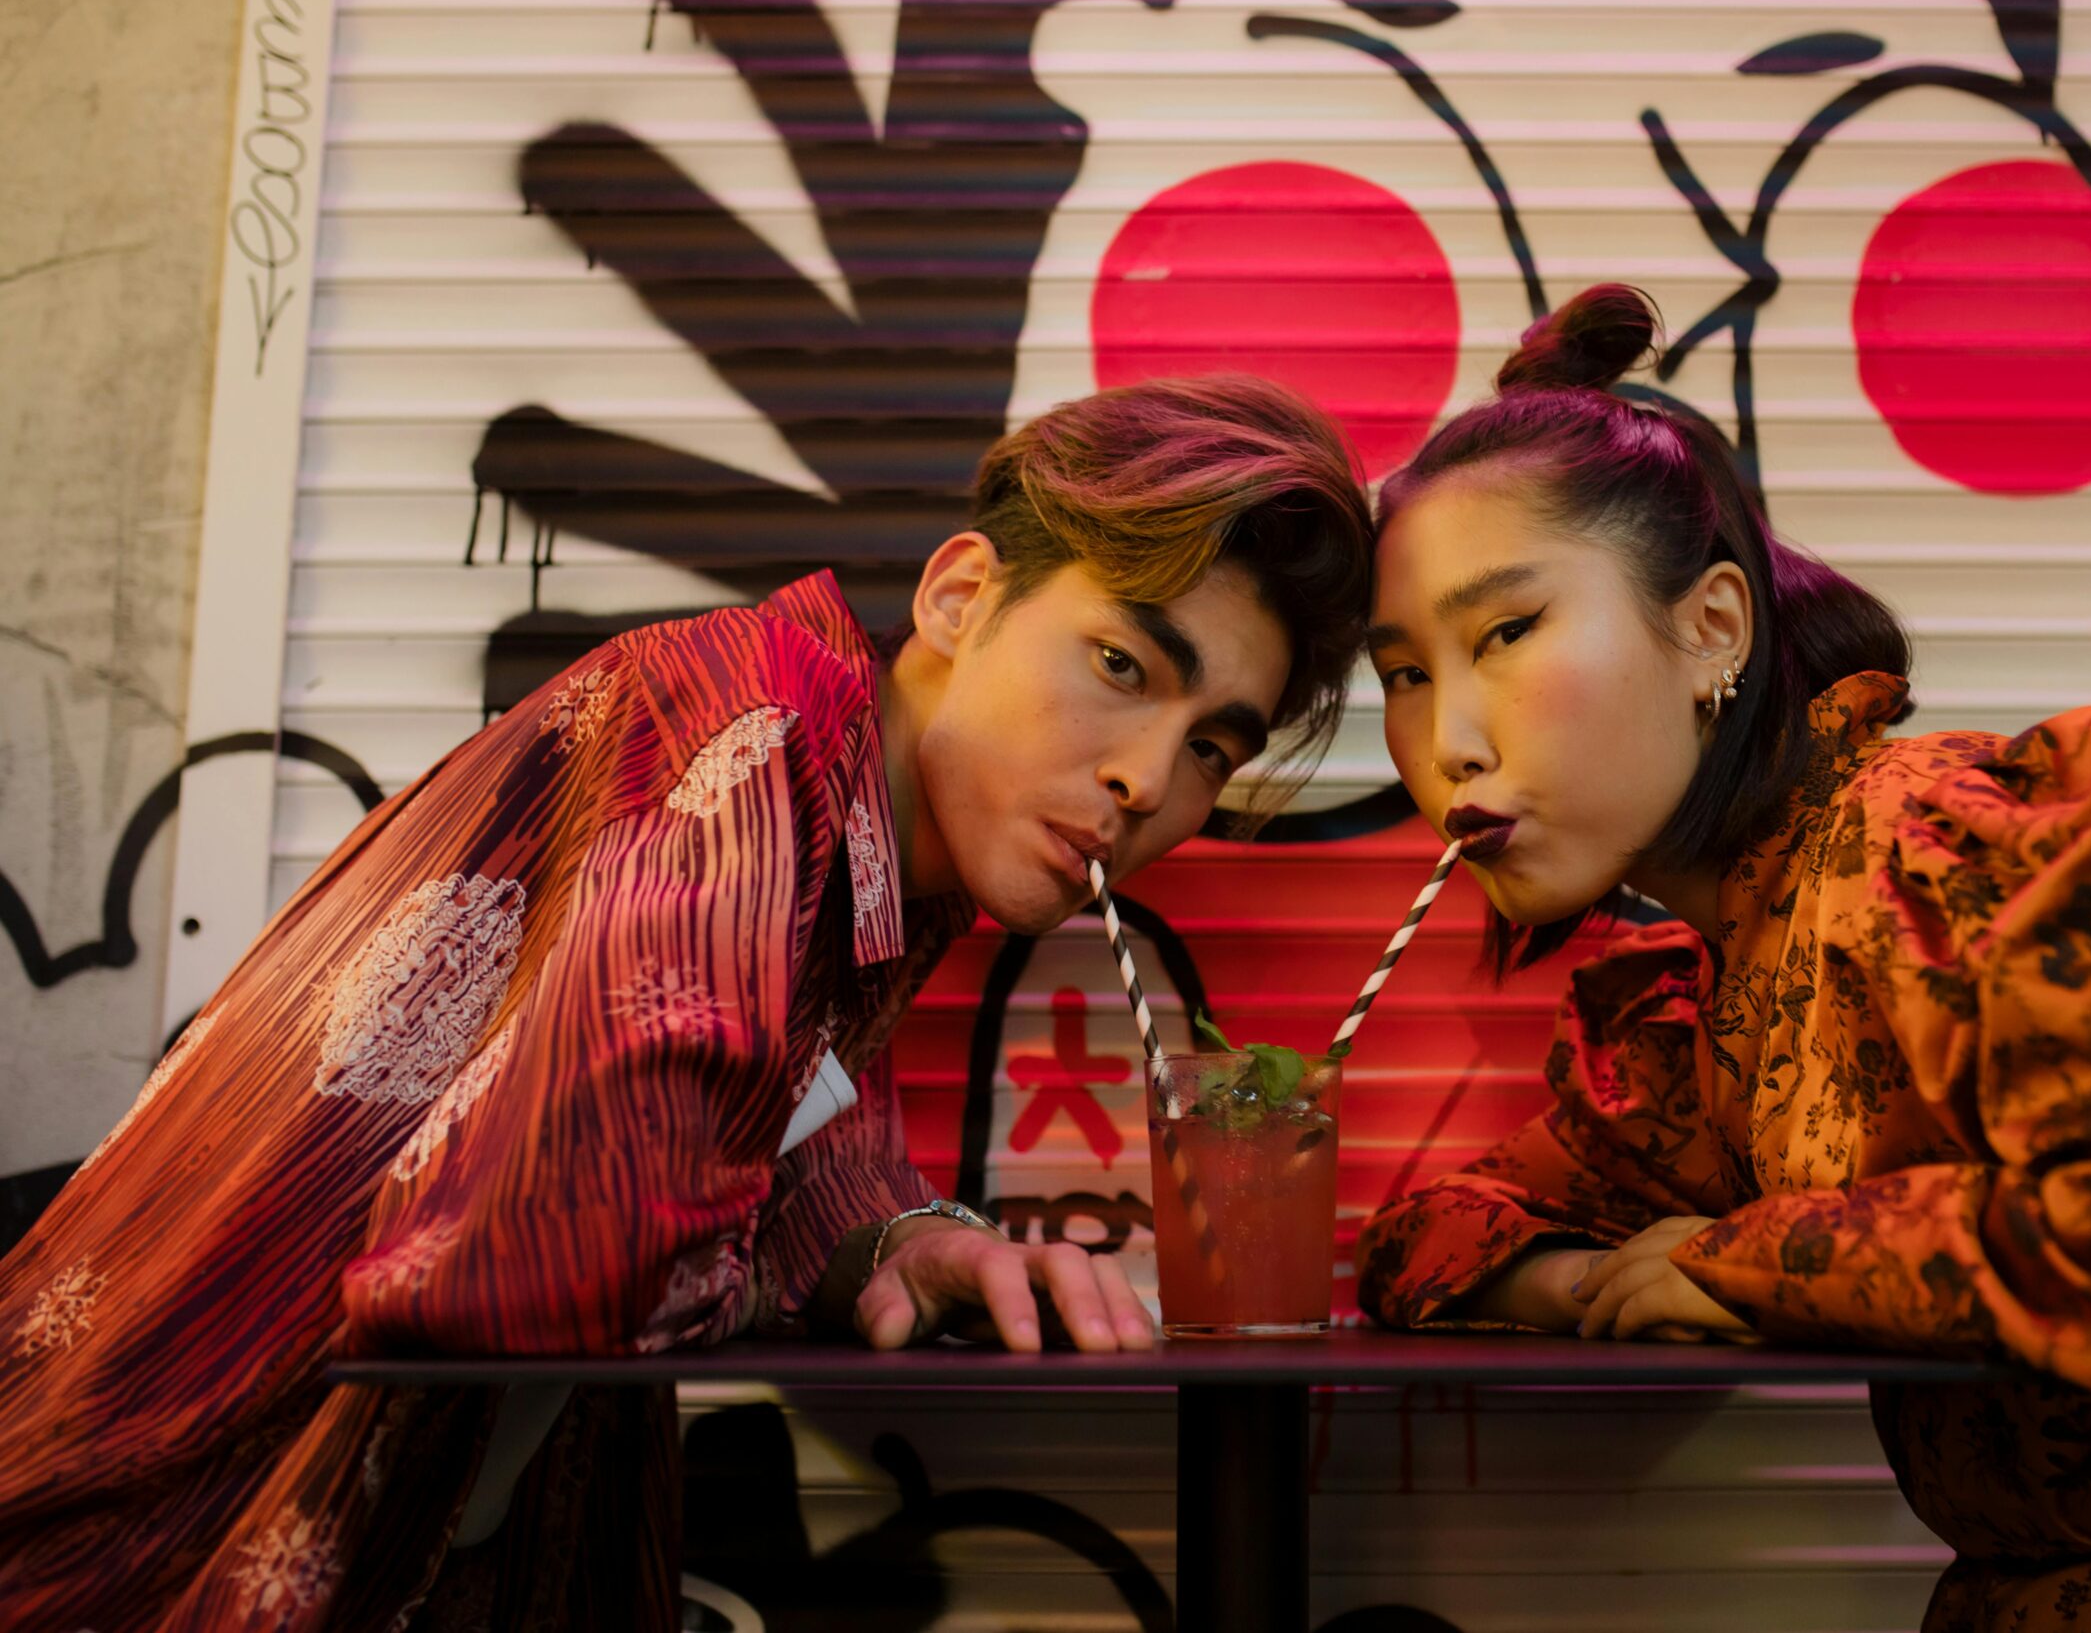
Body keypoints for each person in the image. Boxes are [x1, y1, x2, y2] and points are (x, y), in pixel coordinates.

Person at [0, 374, 1373, 1629]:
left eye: (1210, 749)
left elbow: (787, 1134)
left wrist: (904, 1242)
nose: (1148, 783)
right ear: (961, 600)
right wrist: (737, 1226)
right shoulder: (756, 733)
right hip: (143, 1539)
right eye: (1123, 668)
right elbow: (530, 1264)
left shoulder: (880, 847)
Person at [1355, 285, 2091, 1628]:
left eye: (1507, 633)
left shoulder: (1932, 847)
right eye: (1401, 672)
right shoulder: (1707, 1013)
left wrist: (1756, 1259)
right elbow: (1425, 1235)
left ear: (1713, 629)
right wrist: (1593, 1283)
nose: (1446, 737)